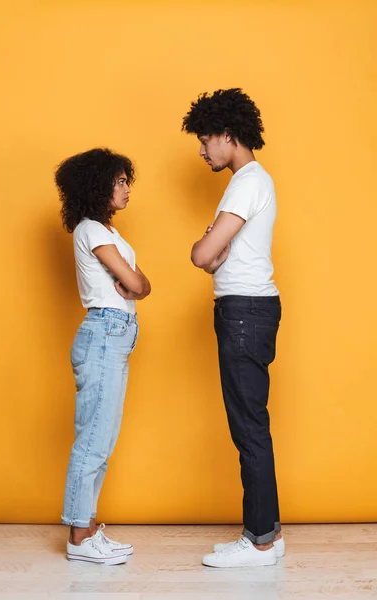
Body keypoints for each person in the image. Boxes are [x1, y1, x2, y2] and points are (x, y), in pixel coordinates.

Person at [182, 89, 284, 568]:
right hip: (245, 308)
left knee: (248, 427)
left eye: (206, 140)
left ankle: (261, 543)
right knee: (249, 424)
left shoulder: (246, 182)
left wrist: (206, 247)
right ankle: (264, 535)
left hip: (244, 310)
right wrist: (213, 250)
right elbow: (214, 255)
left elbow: (204, 255)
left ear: (228, 134)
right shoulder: (250, 181)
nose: (202, 150)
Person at [55, 147, 151, 564]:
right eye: (119, 181)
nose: (126, 188)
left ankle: (89, 528)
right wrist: (133, 285)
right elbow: (138, 283)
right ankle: (79, 537)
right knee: (93, 439)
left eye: (126, 180)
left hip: (116, 334)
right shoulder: (90, 229)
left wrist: (134, 285)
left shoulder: (109, 233)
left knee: (103, 439)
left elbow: (139, 285)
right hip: (105, 333)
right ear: (98, 186)